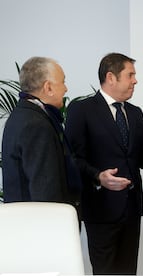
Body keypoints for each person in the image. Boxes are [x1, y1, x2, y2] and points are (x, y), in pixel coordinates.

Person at [65, 52, 143, 275]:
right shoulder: (82, 110)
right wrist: (99, 176)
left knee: (129, 271)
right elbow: (72, 159)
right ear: (111, 77)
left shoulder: (135, 113)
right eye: (130, 75)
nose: (135, 81)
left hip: (131, 210)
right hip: (100, 210)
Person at [2, 56, 81, 207]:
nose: (66, 89)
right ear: (48, 87)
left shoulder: (22, 115)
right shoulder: (36, 124)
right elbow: (45, 191)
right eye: (63, 82)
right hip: (44, 224)